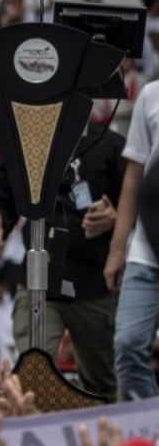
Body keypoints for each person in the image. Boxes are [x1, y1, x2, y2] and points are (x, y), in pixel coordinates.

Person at [0, 117, 123, 397]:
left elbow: (134, 199)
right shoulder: (25, 142)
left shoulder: (110, 144)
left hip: (94, 284)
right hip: (40, 279)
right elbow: (4, 195)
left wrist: (116, 215)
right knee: (35, 377)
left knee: (103, 381)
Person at [105, 78, 159, 400]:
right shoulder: (151, 96)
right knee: (127, 345)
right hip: (146, 250)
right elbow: (134, 175)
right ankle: (149, 427)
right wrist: (117, 249)